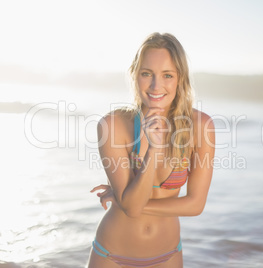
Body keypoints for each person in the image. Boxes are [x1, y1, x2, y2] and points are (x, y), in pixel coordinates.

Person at [87, 32, 215, 268]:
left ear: (180, 78)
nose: (156, 85)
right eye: (147, 74)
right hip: (111, 256)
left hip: (168, 256)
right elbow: (132, 209)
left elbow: (195, 205)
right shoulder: (113, 125)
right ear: (135, 75)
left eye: (167, 75)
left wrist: (123, 199)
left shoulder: (200, 126)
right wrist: (154, 149)